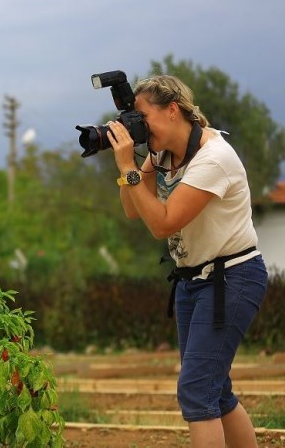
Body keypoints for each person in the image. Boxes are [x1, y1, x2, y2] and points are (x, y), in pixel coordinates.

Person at [108, 74, 267, 448]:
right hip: (193, 280)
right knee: (215, 389)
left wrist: (129, 166)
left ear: (173, 110)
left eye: (142, 118)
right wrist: (131, 166)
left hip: (232, 278)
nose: (139, 128)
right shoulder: (163, 154)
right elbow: (135, 210)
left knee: (197, 391)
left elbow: (162, 224)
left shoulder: (214, 158)